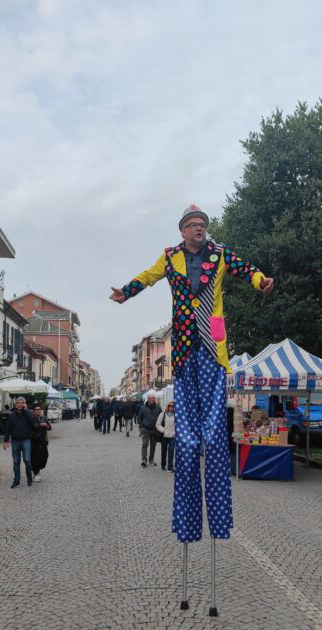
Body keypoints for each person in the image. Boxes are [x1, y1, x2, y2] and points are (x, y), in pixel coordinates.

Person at [110, 203, 273, 542]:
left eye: (203, 224)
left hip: (212, 341)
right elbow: (148, 276)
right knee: (186, 426)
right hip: (184, 343)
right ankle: (186, 466)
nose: (200, 228)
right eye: (193, 224)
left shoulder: (220, 253)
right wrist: (126, 292)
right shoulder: (170, 257)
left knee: (213, 425)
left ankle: (214, 479)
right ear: (182, 231)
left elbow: (245, 269)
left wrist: (260, 281)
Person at [3, 396, 36, 488]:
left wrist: (26, 411)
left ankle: (29, 478)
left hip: (26, 440)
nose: (20, 404)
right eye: (18, 403)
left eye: (22, 402)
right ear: (16, 404)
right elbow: (8, 428)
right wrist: (6, 440)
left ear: (24, 404)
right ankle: (16, 480)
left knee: (27, 460)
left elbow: (33, 424)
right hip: (15, 440)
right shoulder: (12, 415)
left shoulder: (29, 413)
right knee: (16, 461)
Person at [137, 393, 161, 467]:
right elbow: (139, 418)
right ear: (148, 399)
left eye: (153, 398)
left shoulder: (157, 408)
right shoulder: (143, 408)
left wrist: (160, 428)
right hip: (146, 429)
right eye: (150, 398)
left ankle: (151, 460)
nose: (152, 400)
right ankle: (144, 459)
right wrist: (141, 427)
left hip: (154, 430)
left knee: (153, 445)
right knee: (145, 444)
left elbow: (161, 418)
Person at [30, 404, 52, 483]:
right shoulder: (32, 418)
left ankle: (37, 470)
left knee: (44, 456)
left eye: (39, 409)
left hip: (43, 440)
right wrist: (40, 425)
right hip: (34, 440)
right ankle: (36, 473)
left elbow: (49, 427)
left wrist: (46, 426)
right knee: (35, 457)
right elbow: (34, 426)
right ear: (33, 411)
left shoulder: (43, 417)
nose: (38, 410)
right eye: (36, 409)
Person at [157, 401, 176, 472]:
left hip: (172, 436)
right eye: (170, 406)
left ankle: (170, 467)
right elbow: (158, 424)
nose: (171, 407)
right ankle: (163, 465)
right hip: (164, 436)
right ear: (167, 406)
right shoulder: (163, 414)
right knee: (164, 451)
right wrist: (163, 430)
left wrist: (175, 433)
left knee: (171, 451)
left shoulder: (176, 415)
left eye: (173, 406)